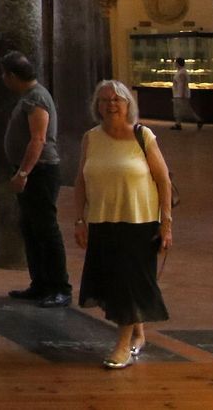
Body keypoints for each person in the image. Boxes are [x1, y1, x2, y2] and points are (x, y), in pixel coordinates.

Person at [74, 80, 174, 369]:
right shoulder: (91, 138)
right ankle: (138, 334)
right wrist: (80, 219)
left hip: (139, 222)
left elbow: (163, 180)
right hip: (103, 221)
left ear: (128, 104)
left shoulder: (143, 136)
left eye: (117, 100)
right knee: (111, 281)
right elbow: (81, 179)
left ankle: (122, 347)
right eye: (105, 100)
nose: (111, 105)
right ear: (97, 106)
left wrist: (166, 222)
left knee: (128, 283)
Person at [1, 51, 72, 308]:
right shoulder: (29, 97)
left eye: (4, 75)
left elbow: (38, 139)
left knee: (46, 229)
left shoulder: (37, 98)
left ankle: (60, 287)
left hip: (41, 172)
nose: (3, 80)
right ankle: (40, 284)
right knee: (31, 229)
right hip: (34, 171)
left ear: (11, 75)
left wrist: (23, 173)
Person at [170, 57, 200, 130]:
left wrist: (182, 94)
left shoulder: (182, 72)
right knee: (179, 110)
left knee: (184, 110)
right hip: (178, 94)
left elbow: (182, 84)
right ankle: (178, 124)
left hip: (180, 95)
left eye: (175, 63)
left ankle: (198, 120)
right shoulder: (180, 71)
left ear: (178, 63)